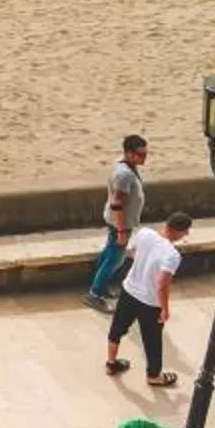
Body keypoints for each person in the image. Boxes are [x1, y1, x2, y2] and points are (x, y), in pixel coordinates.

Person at [106, 211, 191, 387]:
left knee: (117, 327)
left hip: (129, 290)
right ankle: (154, 376)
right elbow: (162, 284)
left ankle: (111, 363)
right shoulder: (172, 255)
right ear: (177, 231)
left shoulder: (144, 233)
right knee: (152, 340)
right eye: (185, 232)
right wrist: (165, 309)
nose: (186, 235)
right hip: (149, 302)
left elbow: (133, 253)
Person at [87, 133, 150, 312]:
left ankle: (99, 284)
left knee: (109, 253)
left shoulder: (121, 165)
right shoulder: (125, 176)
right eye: (140, 155)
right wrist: (121, 229)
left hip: (116, 222)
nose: (144, 158)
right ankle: (95, 293)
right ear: (129, 153)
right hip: (120, 224)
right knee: (114, 260)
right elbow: (117, 203)